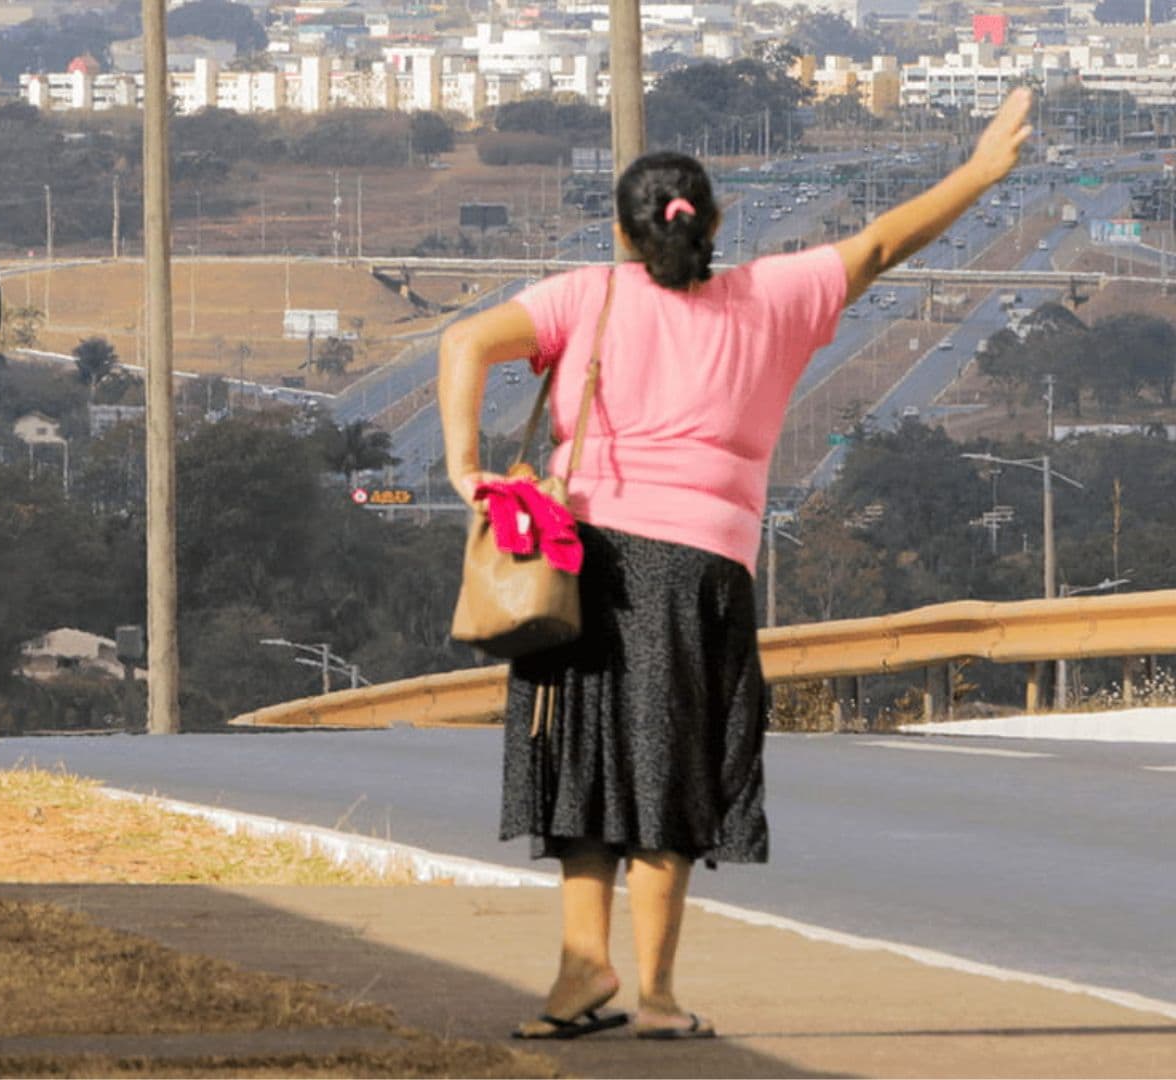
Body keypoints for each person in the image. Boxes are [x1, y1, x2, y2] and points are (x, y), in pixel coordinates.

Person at [436, 90, 1032, 1041]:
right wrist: (978, 171)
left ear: (624, 235)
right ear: (711, 223)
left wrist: (467, 467)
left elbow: (463, 340)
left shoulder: (581, 294)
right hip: (698, 573)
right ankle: (659, 997)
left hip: (576, 561)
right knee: (671, 770)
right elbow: (881, 245)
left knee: (584, 766)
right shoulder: (772, 295)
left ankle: (577, 976)